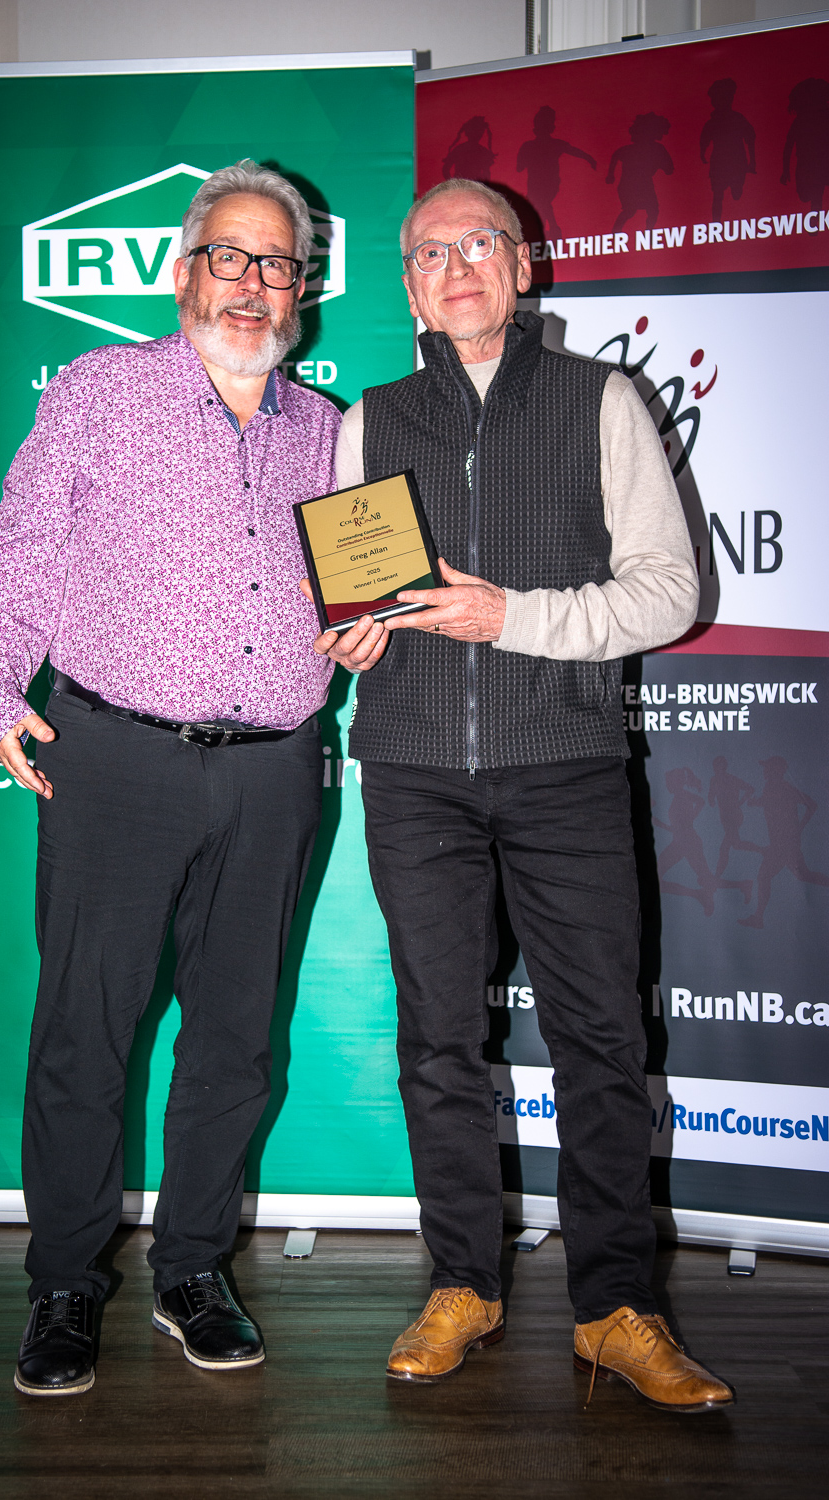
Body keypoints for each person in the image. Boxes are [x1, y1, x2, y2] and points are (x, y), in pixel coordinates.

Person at [308, 177, 733, 1412]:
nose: (455, 267)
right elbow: (354, 601)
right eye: (428, 253)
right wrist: (350, 638)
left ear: (522, 266)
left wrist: (513, 617)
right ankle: (461, 1284)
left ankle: (614, 1310)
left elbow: (669, 593)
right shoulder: (370, 419)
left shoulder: (602, 399)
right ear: (407, 285)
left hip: (565, 764)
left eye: (478, 243)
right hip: (413, 769)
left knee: (601, 1039)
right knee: (438, 1040)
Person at [0, 160, 339, 1397]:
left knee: (236, 1039)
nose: (251, 282)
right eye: (229, 255)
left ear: (302, 290)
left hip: (275, 772)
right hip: (113, 758)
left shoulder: (326, 431)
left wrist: (371, 627)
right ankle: (66, 1280)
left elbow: (355, 591)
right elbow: (20, 550)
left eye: (276, 263)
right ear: (184, 273)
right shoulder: (97, 392)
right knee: (86, 1031)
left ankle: (192, 1269)